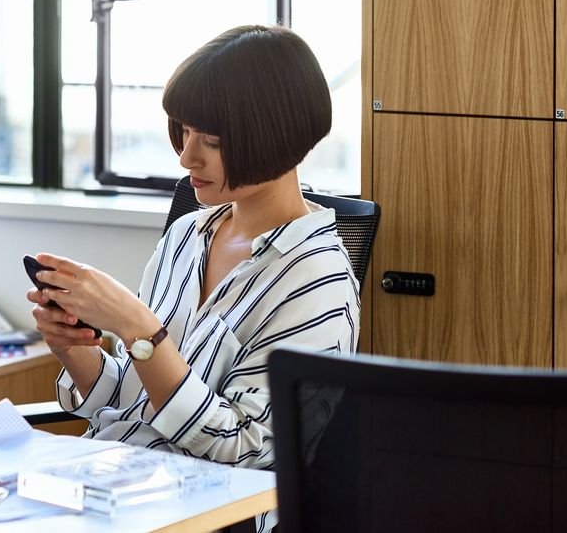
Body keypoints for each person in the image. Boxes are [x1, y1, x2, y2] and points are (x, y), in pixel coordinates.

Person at [28, 24, 358, 477]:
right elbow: (135, 397)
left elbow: (248, 445)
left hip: (204, 508)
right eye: (184, 132)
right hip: (113, 479)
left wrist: (137, 327)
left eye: (213, 142)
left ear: (278, 137)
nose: (186, 157)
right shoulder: (187, 235)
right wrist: (73, 349)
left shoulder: (319, 280)